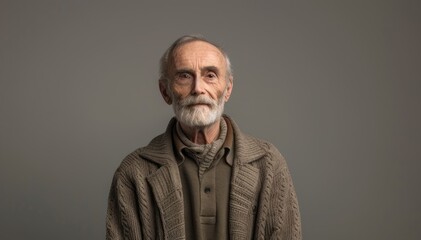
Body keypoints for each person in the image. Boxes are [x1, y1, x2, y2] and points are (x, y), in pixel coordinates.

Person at [106, 35, 302, 240]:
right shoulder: (133, 173)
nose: (198, 88)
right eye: (184, 76)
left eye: (210, 75)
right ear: (165, 91)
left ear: (227, 89)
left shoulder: (269, 164)